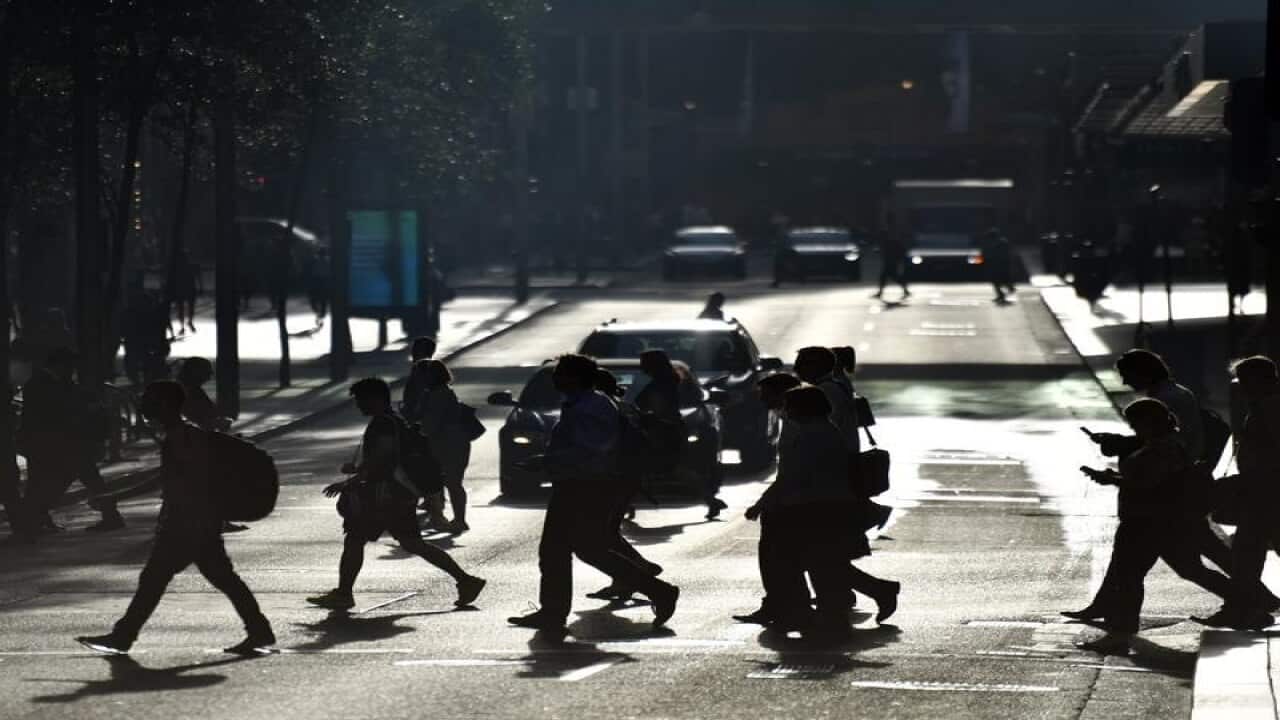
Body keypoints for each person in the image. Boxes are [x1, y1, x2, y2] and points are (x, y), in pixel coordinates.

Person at [75, 381, 274, 655]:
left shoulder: (182, 438)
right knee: (219, 578)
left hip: (187, 523)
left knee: (156, 579)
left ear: (165, 404)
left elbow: (177, 481)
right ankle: (259, 630)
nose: (145, 405)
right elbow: (169, 479)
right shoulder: (183, 435)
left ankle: (123, 636)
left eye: (150, 399)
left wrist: (117, 497)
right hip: (197, 521)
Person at [508, 354, 679, 632]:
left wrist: (547, 460)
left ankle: (658, 591)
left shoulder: (591, 407)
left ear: (576, 378)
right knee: (572, 549)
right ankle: (554, 611)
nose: (556, 378)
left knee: (574, 549)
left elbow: (593, 448)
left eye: (561, 373)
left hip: (587, 485)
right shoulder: (581, 404)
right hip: (578, 483)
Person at [307, 378, 485, 611]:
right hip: (396, 494)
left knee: (357, 539)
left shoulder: (383, 424)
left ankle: (343, 594)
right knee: (411, 543)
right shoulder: (393, 421)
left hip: (385, 496)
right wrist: (359, 470)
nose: (358, 405)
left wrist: (350, 482)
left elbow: (383, 461)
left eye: (361, 400)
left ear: (376, 398)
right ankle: (466, 580)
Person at [1075, 398, 1235, 653]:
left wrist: (1113, 479)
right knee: (1187, 569)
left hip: (1146, 522)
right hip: (1158, 521)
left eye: (1135, 423)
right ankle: (1247, 600)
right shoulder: (1163, 443)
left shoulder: (1164, 447)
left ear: (1149, 421)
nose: (1134, 428)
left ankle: (1120, 633)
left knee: (1128, 577)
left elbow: (1151, 483)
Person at [746, 386, 858, 642]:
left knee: (791, 562)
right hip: (824, 505)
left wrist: (761, 504)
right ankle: (825, 616)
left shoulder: (810, 436)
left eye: (789, 406)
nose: (786, 411)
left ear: (802, 409)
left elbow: (789, 477)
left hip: (809, 508)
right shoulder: (827, 431)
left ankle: (801, 612)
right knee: (819, 564)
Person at [1197, 357, 1280, 630]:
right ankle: (1242, 609)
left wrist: (1249, 479)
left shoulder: (1270, 408)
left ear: (1260, 380)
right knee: (1247, 555)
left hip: (1266, 494)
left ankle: (1242, 610)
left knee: (1247, 555)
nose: (1240, 387)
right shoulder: (1262, 406)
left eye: (1244, 381)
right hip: (1261, 493)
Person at [21, 347, 124, 533]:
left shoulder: (59, 382)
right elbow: (53, 413)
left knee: (69, 479)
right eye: (69, 365)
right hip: (49, 442)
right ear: (59, 365)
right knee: (52, 481)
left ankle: (37, 519)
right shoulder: (39, 384)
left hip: (67, 442)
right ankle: (37, 519)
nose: (72, 370)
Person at [585, 367, 664, 602]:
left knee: (601, 534)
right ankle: (626, 579)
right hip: (626, 477)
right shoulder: (622, 406)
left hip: (613, 477)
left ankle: (638, 570)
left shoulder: (607, 408)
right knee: (608, 531)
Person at [734, 372, 802, 626]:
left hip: (793, 502)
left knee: (775, 557)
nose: (761, 400)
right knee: (789, 558)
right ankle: (786, 605)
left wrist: (762, 503)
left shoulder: (796, 425)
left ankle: (783, 605)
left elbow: (790, 473)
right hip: (791, 499)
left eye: (765, 395)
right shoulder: (789, 421)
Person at [404, 359, 471, 535]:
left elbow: (431, 423)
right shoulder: (434, 393)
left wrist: (416, 427)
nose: (418, 380)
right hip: (447, 443)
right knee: (447, 482)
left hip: (449, 444)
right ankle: (452, 518)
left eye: (421, 376)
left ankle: (459, 520)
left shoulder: (438, 395)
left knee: (452, 482)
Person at [176, 357, 231, 433]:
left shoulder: (192, 390)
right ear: (197, 373)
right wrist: (217, 423)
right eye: (207, 372)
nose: (209, 376)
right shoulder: (190, 392)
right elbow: (197, 419)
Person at [873, 213, 910, 300]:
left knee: (889, 275)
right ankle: (904, 290)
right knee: (889, 275)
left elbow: (895, 244)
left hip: (892, 256)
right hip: (891, 255)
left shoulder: (892, 231)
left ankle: (904, 290)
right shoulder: (891, 230)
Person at [979, 228, 1016, 303]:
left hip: (1000, 264)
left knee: (999, 280)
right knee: (996, 281)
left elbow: (1006, 254)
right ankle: (1002, 294)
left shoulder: (1001, 242)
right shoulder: (996, 242)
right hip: (996, 264)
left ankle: (1008, 289)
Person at [171, 249, 201, 336]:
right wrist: (200, 287)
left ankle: (183, 326)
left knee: (181, 308)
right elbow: (198, 277)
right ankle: (189, 322)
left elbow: (174, 279)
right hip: (190, 288)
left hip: (182, 288)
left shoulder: (178, 268)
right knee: (190, 306)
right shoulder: (192, 266)